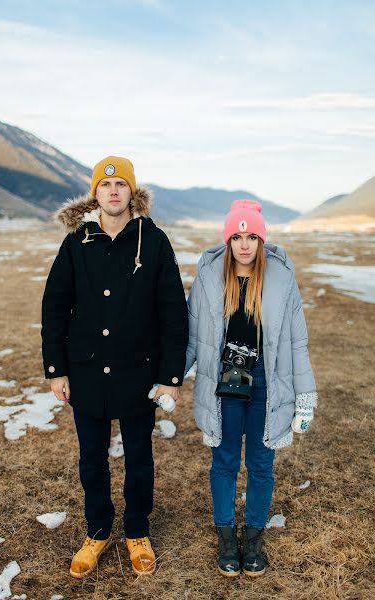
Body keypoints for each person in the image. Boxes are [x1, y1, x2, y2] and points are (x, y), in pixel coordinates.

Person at [41, 155, 188, 578]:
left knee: (140, 457)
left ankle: (137, 531)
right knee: (92, 459)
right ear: (95, 194)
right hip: (86, 371)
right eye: (105, 186)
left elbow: (173, 312)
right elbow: (54, 306)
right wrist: (56, 369)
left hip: (139, 372)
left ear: (132, 192)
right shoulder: (77, 242)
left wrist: (170, 377)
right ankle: (99, 530)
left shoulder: (153, 240)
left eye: (120, 184)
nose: (113, 191)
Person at [184, 200, 317, 578]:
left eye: (252, 236)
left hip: (266, 385)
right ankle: (227, 536)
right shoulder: (209, 277)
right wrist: (170, 380)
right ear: (228, 240)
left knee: (261, 464)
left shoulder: (281, 278)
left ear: (261, 240)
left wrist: (304, 399)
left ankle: (254, 537)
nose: (244, 244)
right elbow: (192, 339)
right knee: (224, 462)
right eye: (237, 236)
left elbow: (296, 343)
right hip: (223, 384)